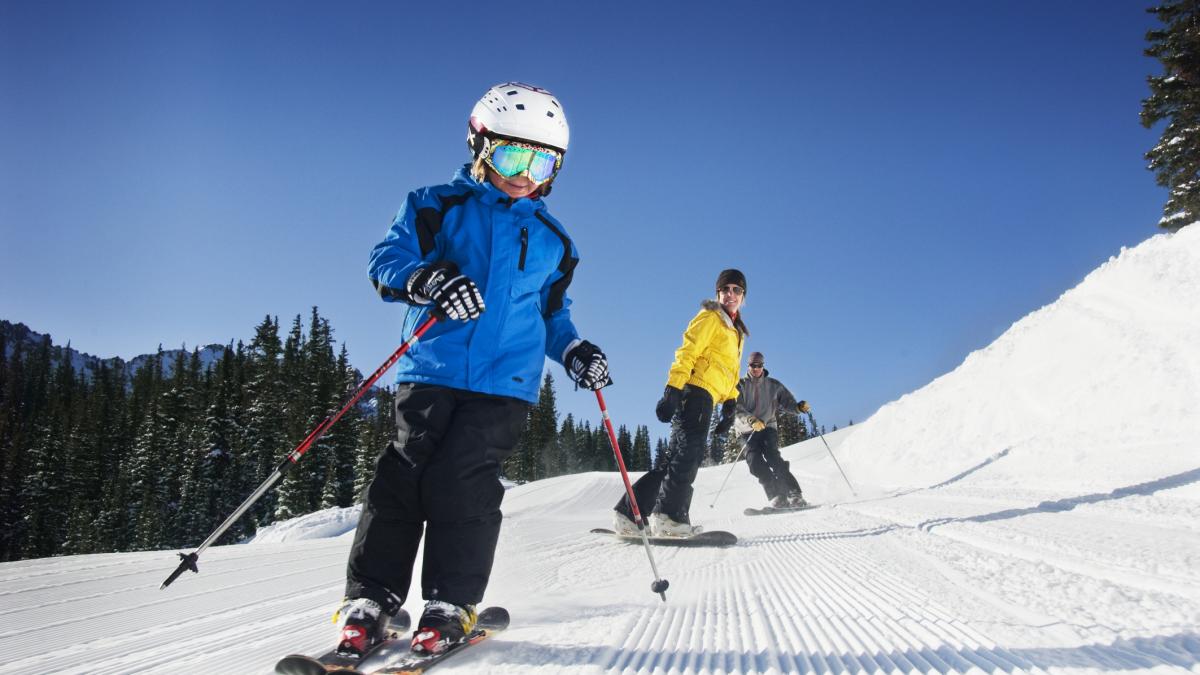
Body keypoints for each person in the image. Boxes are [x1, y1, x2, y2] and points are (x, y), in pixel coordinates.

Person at [338, 82, 610, 658]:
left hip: (503, 384)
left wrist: (575, 352)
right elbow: (387, 258)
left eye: (543, 161)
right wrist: (428, 279)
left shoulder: (555, 242)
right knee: (403, 476)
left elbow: (555, 314)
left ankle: (449, 601)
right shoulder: (436, 204)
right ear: (480, 145)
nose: (525, 172)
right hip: (430, 366)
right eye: (514, 155)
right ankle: (371, 598)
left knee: (464, 483)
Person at [613, 269, 749, 537]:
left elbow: (729, 370)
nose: (731, 294)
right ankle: (670, 518)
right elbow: (688, 351)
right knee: (690, 454)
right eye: (726, 289)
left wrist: (731, 403)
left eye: (737, 290)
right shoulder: (711, 317)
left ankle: (629, 513)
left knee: (674, 460)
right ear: (718, 293)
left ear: (743, 297)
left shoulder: (735, 331)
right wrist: (672, 389)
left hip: (708, 395)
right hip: (695, 392)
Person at [733, 351, 811, 508]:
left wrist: (797, 407)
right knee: (754, 463)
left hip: (767, 426)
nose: (756, 368)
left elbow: (787, 402)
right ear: (748, 366)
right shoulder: (739, 385)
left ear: (763, 366)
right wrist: (751, 420)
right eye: (753, 365)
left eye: (759, 365)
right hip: (746, 430)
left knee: (773, 457)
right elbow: (736, 407)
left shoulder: (773, 385)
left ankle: (794, 493)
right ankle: (777, 495)